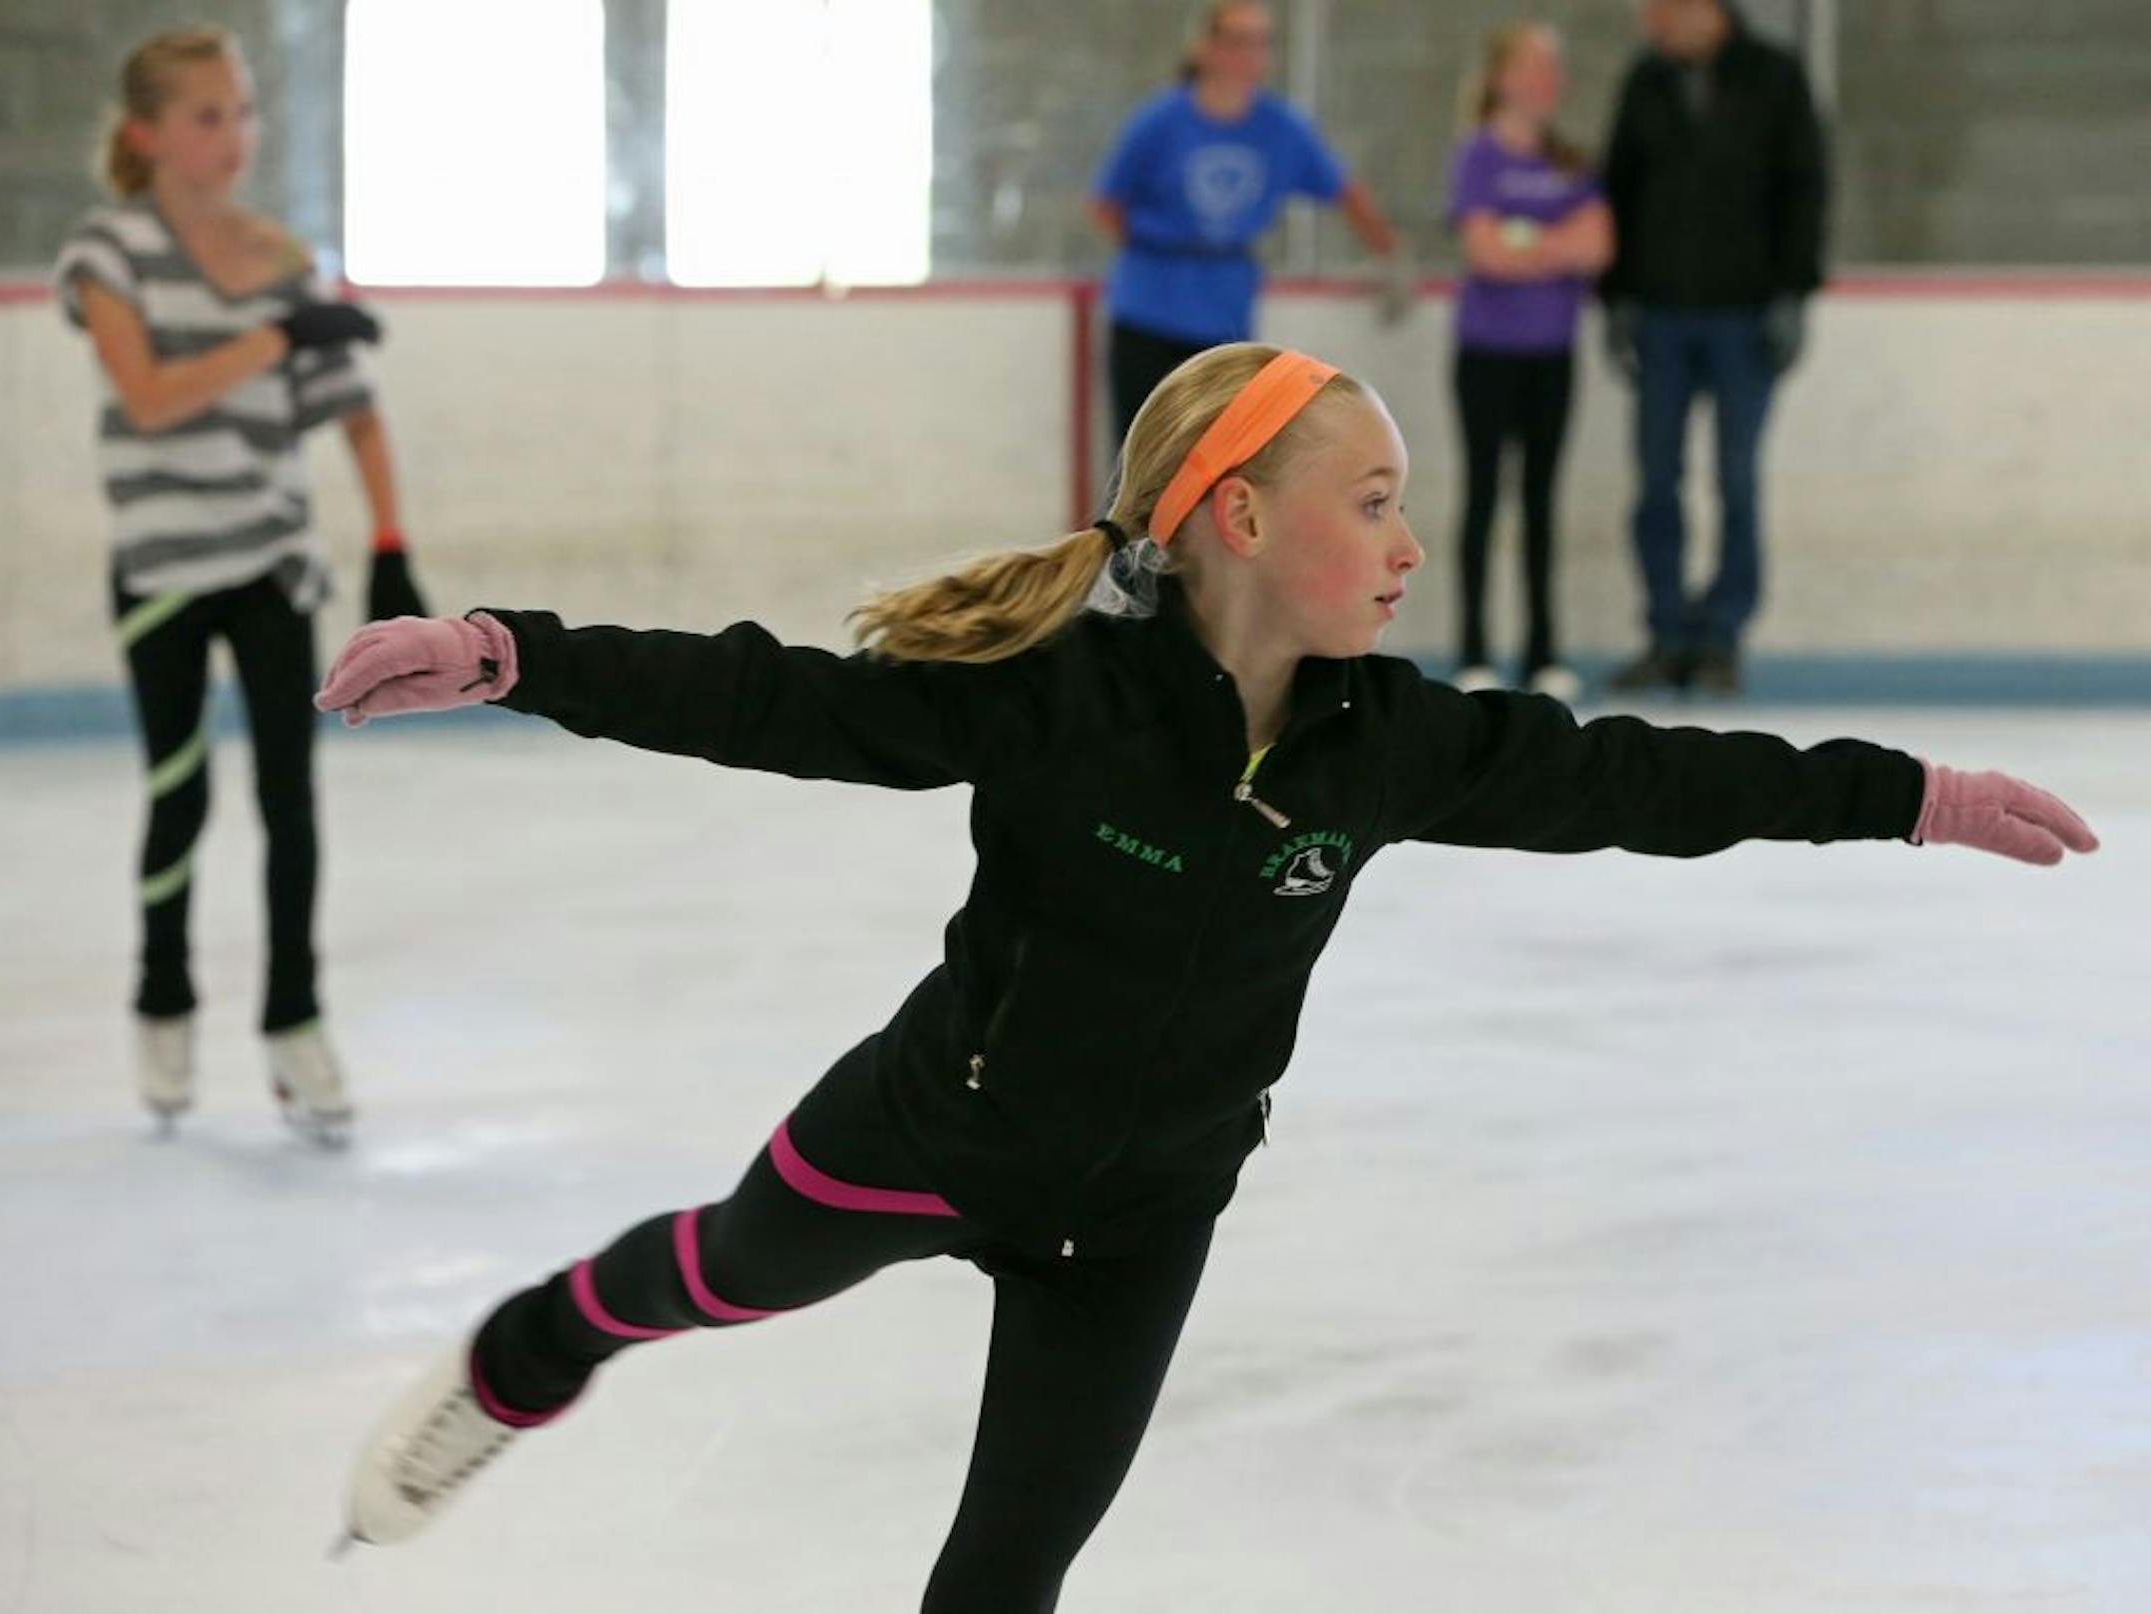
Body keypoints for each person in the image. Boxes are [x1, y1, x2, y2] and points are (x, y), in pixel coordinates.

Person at [315, 344, 2095, 1611]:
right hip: (935, 1127)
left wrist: (1906, 797)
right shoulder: (1048, 692)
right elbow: (774, 693)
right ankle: (535, 1344)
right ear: (1239, 516)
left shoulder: (1385, 742)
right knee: (714, 1268)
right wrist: (510, 651)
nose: (1411, 548)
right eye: (1377, 502)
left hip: (1148, 1203)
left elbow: (1646, 779)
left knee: (1009, 1569)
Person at [52, 26, 423, 1143]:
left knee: (289, 802)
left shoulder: (280, 258)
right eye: (209, 115)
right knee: (180, 795)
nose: (236, 136)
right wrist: (275, 335)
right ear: (147, 135)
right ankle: (163, 998)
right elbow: (152, 395)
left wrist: (391, 542)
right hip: (163, 570)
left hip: (272, 566)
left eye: (245, 113)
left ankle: (294, 1018)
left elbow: (352, 411)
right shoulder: (104, 253)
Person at [1599, 0, 1827, 695]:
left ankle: (1722, 635)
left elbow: (1806, 187)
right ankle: (1667, 634)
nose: (1649, 21)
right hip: (1663, 314)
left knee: (1736, 479)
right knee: (1657, 481)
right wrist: (1618, 297)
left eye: (1662, 8)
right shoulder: (1647, 81)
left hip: (1744, 316)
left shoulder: (1776, 78)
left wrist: (1792, 293)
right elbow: (1619, 190)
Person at [1088, 0, 1402, 441]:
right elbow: (1105, 203)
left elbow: (1344, 189)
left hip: (1225, 313)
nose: (1249, 55)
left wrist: (1390, 253)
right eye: (1237, 40)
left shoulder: (1281, 127)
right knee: (1140, 452)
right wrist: (1160, 244)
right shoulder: (1159, 121)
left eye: (1260, 42)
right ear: (1205, 48)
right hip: (1148, 307)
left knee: (1216, 452)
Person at [1445, 21, 1613, 700]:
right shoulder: (1478, 157)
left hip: (1552, 354)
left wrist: (1524, 240)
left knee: (1542, 501)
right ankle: (1474, 648)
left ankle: (1543, 649)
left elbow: (1598, 247)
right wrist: (1554, 242)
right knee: (1484, 495)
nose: (1549, 81)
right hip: (1486, 354)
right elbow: (1484, 252)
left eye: (1556, 69)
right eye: (1536, 67)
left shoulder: (1571, 162)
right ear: (1503, 77)